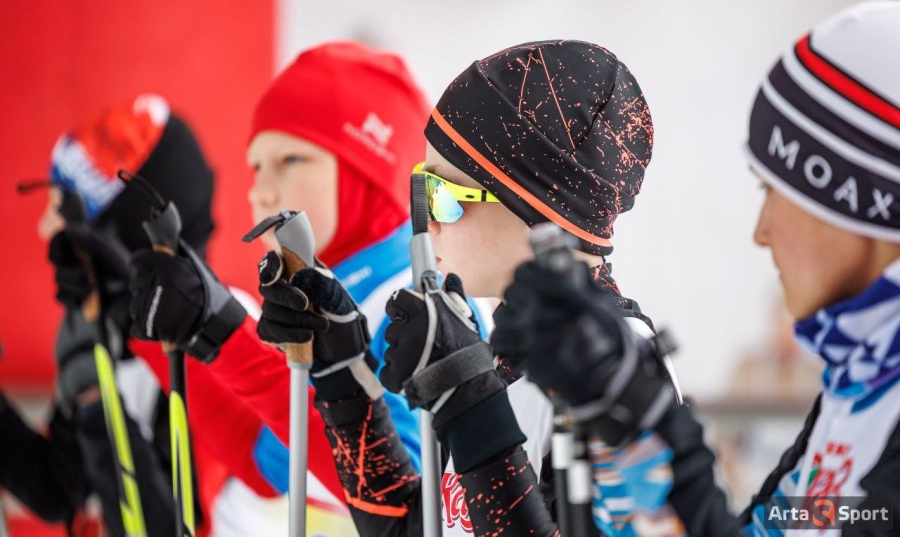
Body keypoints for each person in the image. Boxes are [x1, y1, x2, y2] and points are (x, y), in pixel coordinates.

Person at [501, 0, 900, 535]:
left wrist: (647, 422)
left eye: (773, 191)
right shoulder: (862, 380)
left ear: (857, 201)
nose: (761, 232)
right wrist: (474, 419)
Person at [255, 39, 678, 535]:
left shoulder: (613, 371)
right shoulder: (509, 360)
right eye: (421, 187)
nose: (426, 220)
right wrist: (343, 373)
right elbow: (412, 529)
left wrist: (472, 407)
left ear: (541, 209)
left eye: (443, 195)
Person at [126, 42, 479, 528]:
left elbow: (409, 496)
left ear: (366, 172)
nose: (260, 190)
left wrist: (225, 331)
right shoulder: (333, 297)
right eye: (255, 166)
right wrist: (166, 328)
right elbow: (266, 462)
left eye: (291, 159)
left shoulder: (417, 300)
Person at [23, 93, 325, 536]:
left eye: (62, 210)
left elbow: (169, 525)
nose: (44, 229)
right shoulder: (108, 333)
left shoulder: (224, 328)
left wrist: (94, 406)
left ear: (116, 233)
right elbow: (58, 490)